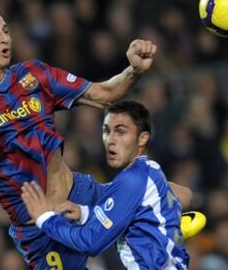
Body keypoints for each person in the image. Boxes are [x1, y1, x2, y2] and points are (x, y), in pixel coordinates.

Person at [0, 0, 160, 269]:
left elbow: (105, 95)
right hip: (41, 231)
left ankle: (160, 226)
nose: (4, 38)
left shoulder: (34, 74)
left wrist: (134, 69)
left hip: (80, 194)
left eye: (5, 30)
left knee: (167, 193)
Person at [22, 101, 189, 269]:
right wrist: (85, 213)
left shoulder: (133, 180)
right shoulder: (150, 170)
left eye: (121, 132)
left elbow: (91, 242)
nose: (111, 140)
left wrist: (45, 218)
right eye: (106, 131)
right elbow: (127, 219)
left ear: (142, 138)